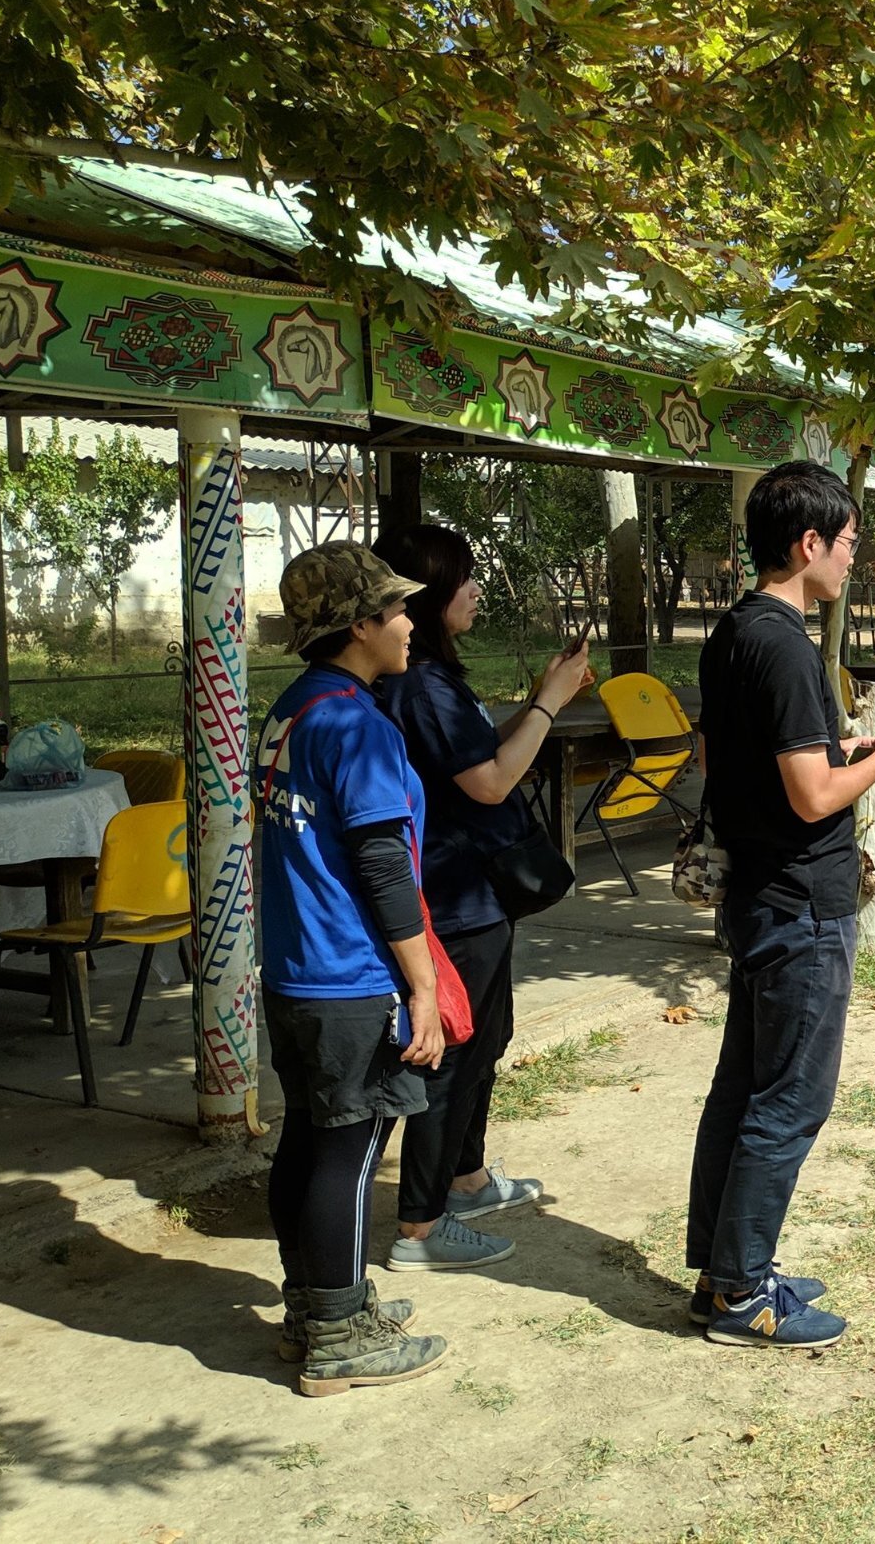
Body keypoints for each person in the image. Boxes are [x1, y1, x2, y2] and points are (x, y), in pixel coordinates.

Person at [689, 461, 875, 1349]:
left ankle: (723, 1269)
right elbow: (814, 795)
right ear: (808, 544)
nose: (853, 558)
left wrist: (831, 744)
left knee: (744, 1086)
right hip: (800, 900)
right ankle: (740, 1295)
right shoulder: (781, 643)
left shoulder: (734, 631)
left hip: (760, 890)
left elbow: (741, 759)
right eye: (849, 541)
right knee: (790, 1099)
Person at [371, 524, 594, 1271]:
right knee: (453, 1056)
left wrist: (534, 703)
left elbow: (475, 760)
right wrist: (551, 704)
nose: (475, 591)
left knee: (484, 1044)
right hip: (453, 898)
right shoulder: (421, 684)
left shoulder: (426, 682)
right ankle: (422, 1227)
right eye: (463, 580)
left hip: (472, 897)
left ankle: (465, 1178)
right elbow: (492, 782)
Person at [256, 542, 448, 1395]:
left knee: (308, 1140)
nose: (411, 624)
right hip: (349, 975)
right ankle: (338, 1334)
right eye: (397, 611)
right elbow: (381, 867)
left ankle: (316, 1306)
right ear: (360, 625)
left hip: (296, 971)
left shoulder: (293, 709)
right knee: (353, 1152)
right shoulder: (357, 725)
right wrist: (424, 986)